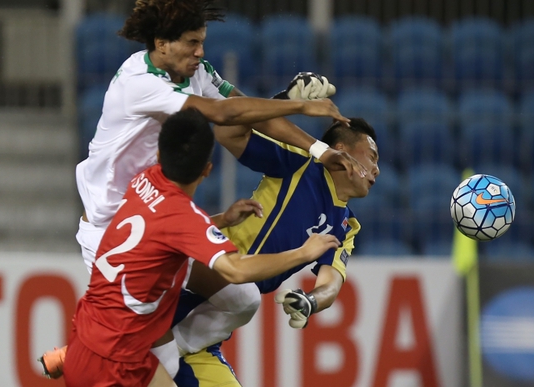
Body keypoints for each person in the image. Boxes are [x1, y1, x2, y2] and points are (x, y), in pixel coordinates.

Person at [40, 0, 365, 379]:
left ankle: (131, 348)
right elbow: (223, 115)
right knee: (156, 360)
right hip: (110, 228)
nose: (200, 52)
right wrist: (297, 105)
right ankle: (100, 351)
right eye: (192, 43)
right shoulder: (139, 84)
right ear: (162, 43)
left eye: (202, 42)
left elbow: (239, 107)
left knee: (242, 301)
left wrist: (318, 148)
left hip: (154, 210)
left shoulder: (197, 72)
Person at [63, 108, 341, 387]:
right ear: (207, 170)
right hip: (117, 359)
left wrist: (221, 220)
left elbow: (165, 230)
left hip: (87, 330)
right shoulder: (185, 216)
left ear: (160, 156)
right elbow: (236, 269)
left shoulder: (142, 180)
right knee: (177, 354)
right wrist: (303, 253)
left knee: (169, 363)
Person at [171, 116, 380, 386]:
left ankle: (164, 350)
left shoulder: (346, 227)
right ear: (341, 149)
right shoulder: (301, 162)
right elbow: (228, 130)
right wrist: (285, 99)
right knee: (245, 296)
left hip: (214, 322)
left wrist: (311, 301)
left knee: (245, 297)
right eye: (372, 156)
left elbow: (331, 284)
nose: (376, 169)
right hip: (195, 284)